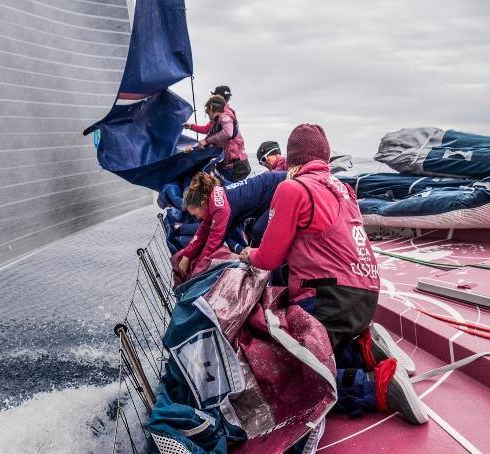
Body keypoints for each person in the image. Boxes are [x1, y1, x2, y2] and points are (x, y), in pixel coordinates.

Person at [239, 124, 427, 425]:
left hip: (328, 299)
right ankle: (362, 350)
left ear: (293, 159)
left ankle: (377, 388)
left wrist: (248, 254)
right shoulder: (343, 189)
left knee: (288, 371)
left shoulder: (292, 188)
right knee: (321, 345)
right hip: (365, 297)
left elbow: (270, 258)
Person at [176, 170, 286, 280]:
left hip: (279, 186)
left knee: (259, 231)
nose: (197, 218)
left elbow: (213, 243)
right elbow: (202, 231)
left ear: (202, 203)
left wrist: (197, 273)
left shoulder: (220, 209)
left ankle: (275, 270)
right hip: (272, 184)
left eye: (196, 214)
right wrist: (187, 255)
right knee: (256, 231)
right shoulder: (212, 199)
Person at [183, 92, 251, 182]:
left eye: (207, 112)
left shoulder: (225, 117)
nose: (208, 116)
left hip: (237, 167)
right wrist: (192, 148)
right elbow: (209, 138)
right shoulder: (216, 123)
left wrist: (206, 141)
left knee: (226, 192)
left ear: (211, 108)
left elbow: (228, 132)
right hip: (227, 166)